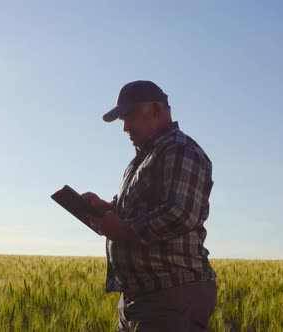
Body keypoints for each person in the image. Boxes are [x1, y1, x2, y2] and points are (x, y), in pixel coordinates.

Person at [82, 80, 217, 331]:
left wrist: (121, 229)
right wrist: (107, 210)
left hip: (170, 295)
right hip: (142, 297)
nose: (124, 127)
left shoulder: (179, 149)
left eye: (129, 116)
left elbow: (181, 213)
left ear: (156, 110)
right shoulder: (143, 159)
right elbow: (138, 211)